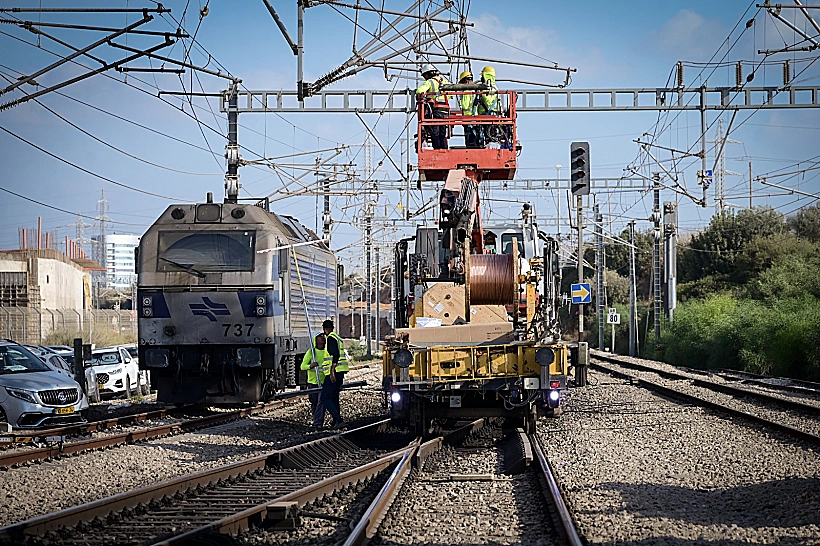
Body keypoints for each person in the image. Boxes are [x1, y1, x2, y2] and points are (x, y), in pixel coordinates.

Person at [416, 64, 450, 150]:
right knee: (442, 132)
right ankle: (444, 148)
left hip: (436, 110)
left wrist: (428, 98)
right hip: (445, 110)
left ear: (429, 74)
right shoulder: (445, 81)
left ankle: (437, 149)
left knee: (435, 132)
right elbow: (450, 94)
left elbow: (419, 91)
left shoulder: (430, 82)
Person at [322, 319, 349, 429]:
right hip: (340, 372)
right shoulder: (337, 338)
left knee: (325, 397)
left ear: (324, 329)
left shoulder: (331, 338)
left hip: (334, 372)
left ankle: (338, 419)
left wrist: (332, 371)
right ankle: (335, 422)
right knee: (334, 396)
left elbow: (335, 355)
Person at [301, 332, 329, 430]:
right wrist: (310, 366)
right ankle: (316, 419)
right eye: (320, 336)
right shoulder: (311, 352)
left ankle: (318, 423)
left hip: (324, 382)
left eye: (323, 336)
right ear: (315, 339)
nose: (323, 338)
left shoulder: (327, 351)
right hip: (313, 382)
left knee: (321, 402)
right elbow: (302, 366)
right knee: (314, 402)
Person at [457, 70, 482, 149]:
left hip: (468, 118)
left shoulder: (467, 91)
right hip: (475, 118)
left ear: (465, 81)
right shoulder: (475, 90)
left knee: (470, 142)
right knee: (477, 140)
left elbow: (465, 105)